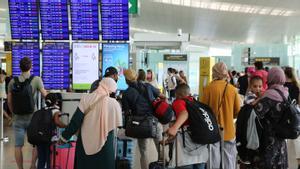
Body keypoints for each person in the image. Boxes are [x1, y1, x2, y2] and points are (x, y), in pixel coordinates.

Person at [60, 78, 122, 169]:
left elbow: (75, 122)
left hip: (84, 146)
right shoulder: (114, 104)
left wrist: (64, 137)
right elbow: (118, 125)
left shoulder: (86, 98)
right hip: (105, 146)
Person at [7, 57, 48, 169]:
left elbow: (9, 101)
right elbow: (45, 95)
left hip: (18, 118)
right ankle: (32, 165)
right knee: (36, 144)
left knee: (18, 146)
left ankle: (20, 168)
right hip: (33, 118)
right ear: (30, 67)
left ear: (20, 67)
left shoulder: (12, 81)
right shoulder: (36, 80)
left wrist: (13, 114)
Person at [122, 69, 164, 169]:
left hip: (140, 125)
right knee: (161, 148)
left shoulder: (126, 93)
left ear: (126, 80)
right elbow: (163, 96)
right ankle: (163, 165)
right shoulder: (148, 86)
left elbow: (127, 112)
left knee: (144, 151)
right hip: (154, 121)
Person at [201, 62, 240, 169]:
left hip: (212, 129)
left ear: (214, 72)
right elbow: (237, 112)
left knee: (213, 158)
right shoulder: (232, 89)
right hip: (228, 130)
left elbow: (203, 111)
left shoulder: (208, 89)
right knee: (229, 159)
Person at [254, 67, 289, 169]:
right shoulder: (286, 93)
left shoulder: (268, 95)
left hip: (269, 137)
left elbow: (257, 114)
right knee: (280, 161)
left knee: (269, 162)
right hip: (282, 136)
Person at [167, 84, 207, 169]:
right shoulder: (195, 102)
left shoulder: (178, 102)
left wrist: (174, 128)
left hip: (186, 146)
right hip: (201, 146)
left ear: (178, 95)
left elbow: (184, 114)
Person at [37, 93, 67, 169]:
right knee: (49, 159)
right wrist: (67, 126)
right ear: (56, 101)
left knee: (41, 159)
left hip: (39, 138)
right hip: (49, 139)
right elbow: (57, 122)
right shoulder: (55, 110)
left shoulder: (42, 110)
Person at [284, 67, 300, 169]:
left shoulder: (283, 87)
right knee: (296, 139)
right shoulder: (297, 86)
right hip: (296, 115)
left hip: (285, 116)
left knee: (289, 142)